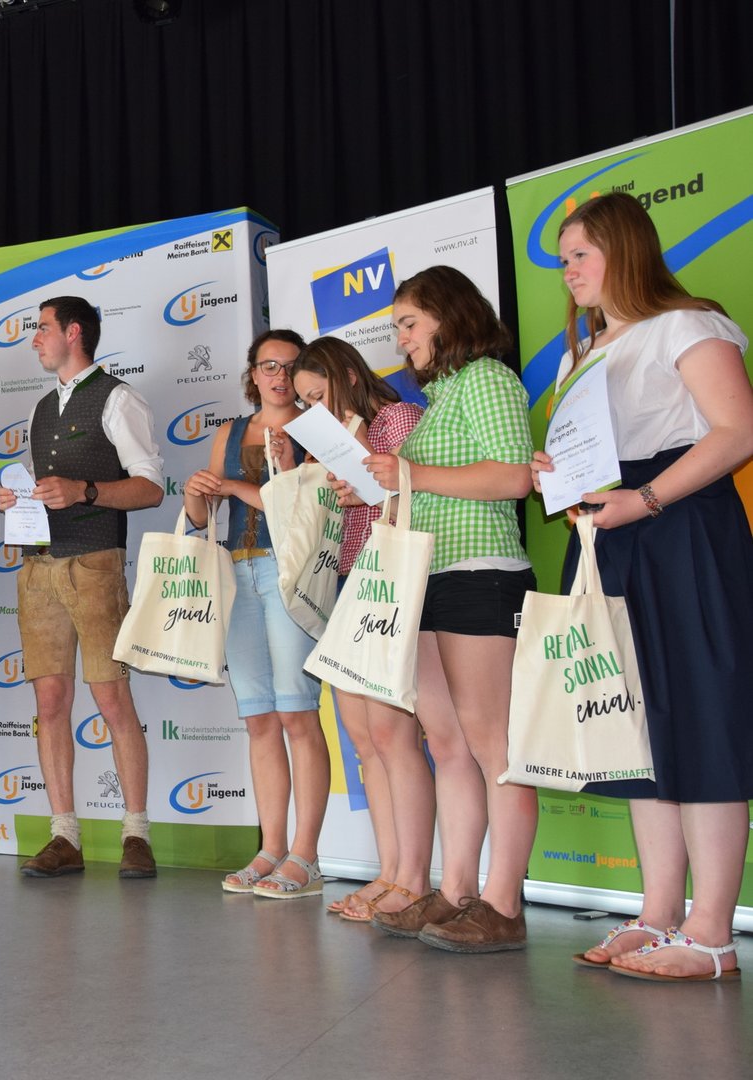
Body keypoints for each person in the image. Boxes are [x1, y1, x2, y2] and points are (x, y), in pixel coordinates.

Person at [534, 192, 750, 981]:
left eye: (581, 254)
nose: (569, 270)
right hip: (610, 536)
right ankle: (658, 915)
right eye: (563, 258)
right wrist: (559, 477)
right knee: (632, 726)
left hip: (680, 527)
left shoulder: (687, 324)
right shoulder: (580, 354)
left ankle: (711, 932)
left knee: (699, 713)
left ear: (624, 249)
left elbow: (738, 430)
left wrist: (648, 498)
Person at [347, 266, 536, 951]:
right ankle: (456, 893)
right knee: (448, 745)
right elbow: (430, 487)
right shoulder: (443, 392)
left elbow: (513, 476)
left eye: (408, 324)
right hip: (427, 577)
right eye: (397, 326)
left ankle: (503, 903)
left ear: (449, 317)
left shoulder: (487, 379)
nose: (400, 339)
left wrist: (410, 474)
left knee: (494, 747)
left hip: (481, 572)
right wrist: (386, 488)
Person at [0, 296, 165, 879]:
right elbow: (51, 491)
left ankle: (136, 833)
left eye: (41, 328)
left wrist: (84, 491)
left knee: (112, 699)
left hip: (94, 564)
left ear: (73, 333)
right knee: (49, 703)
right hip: (39, 566)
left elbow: (150, 488)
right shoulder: (41, 408)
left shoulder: (118, 398)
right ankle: (64, 835)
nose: (34, 339)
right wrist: (20, 500)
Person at [289, 337, 430, 920]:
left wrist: (359, 450)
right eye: (304, 403)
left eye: (318, 396)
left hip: (390, 581)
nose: (312, 410)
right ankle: (388, 871)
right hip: (348, 581)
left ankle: (412, 879)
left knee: (394, 735)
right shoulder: (324, 439)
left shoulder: (397, 417)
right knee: (364, 739)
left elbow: (416, 497)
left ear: (348, 375)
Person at [183, 329, 328, 898]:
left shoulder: (318, 429)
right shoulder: (228, 432)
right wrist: (197, 494)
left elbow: (309, 508)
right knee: (260, 719)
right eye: (269, 365)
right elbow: (203, 517)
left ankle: (306, 856)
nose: (279, 376)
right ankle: (271, 850)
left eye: (290, 366)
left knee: (298, 713)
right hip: (236, 574)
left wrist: (238, 485)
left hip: (289, 572)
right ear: (253, 373)